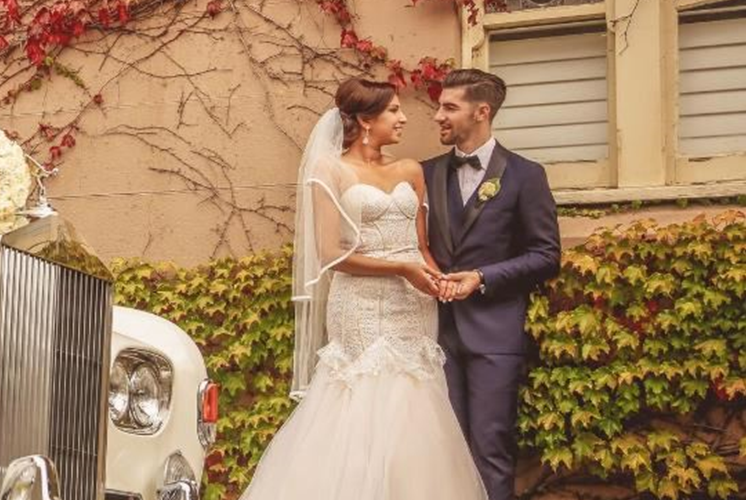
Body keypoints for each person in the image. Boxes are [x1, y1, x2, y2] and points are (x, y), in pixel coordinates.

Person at [239, 77, 487, 500]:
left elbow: (421, 246)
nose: (404, 118)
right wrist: (402, 271)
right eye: (393, 110)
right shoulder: (329, 169)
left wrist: (437, 279)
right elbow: (331, 255)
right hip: (360, 306)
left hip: (412, 308)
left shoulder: (411, 170)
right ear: (366, 120)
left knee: (414, 407)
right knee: (361, 404)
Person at [424, 68, 562, 500]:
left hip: (494, 335)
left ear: (481, 112)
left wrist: (482, 278)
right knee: (439, 452)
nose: (437, 116)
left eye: (450, 107)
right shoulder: (423, 174)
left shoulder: (525, 175)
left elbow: (546, 255)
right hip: (430, 333)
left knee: (490, 449)